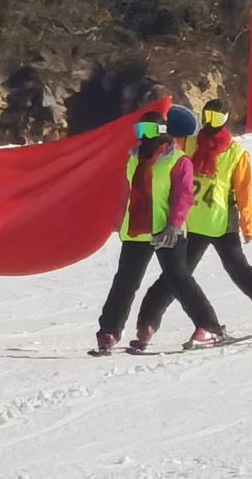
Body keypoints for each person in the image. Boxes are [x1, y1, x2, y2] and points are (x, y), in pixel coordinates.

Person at [129, 100, 252, 352]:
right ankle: (147, 324)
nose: (210, 122)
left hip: (221, 224)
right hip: (193, 223)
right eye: (207, 116)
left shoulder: (236, 154)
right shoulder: (189, 145)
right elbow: (165, 150)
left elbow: (244, 193)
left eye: (216, 117)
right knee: (176, 277)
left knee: (238, 270)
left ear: (225, 119)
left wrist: (248, 225)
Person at [94, 108, 225, 354]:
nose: (143, 136)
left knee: (179, 279)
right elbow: (126, 193)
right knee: (125, 282)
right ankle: (109, 331)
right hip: (136, 230)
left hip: (166, 231)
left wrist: (174, 225)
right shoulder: (133, 158)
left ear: (162, 132)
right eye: (140, 131)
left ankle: (209, 327)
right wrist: (119, 219)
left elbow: (183, 196)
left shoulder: (178, 160)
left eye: (149, 130)